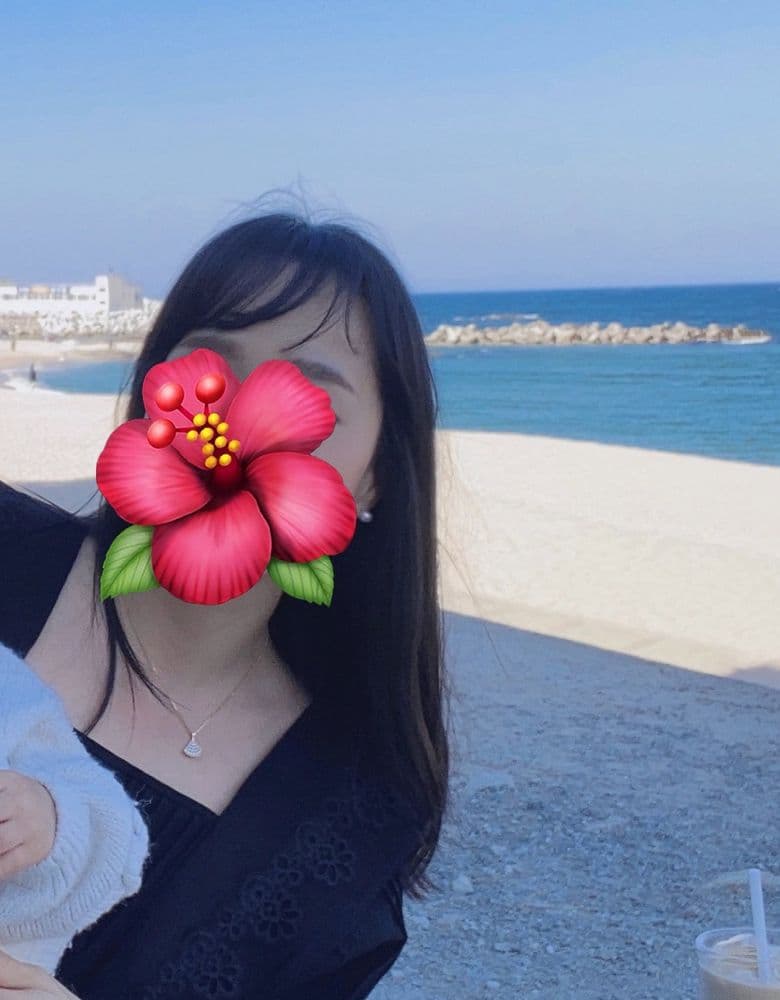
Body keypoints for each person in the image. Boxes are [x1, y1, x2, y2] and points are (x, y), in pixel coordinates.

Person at [0, 206, 450, 999]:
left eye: (309, 393)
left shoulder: (352, 813)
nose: (233, 424)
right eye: (210, 364)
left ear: (377, 475)